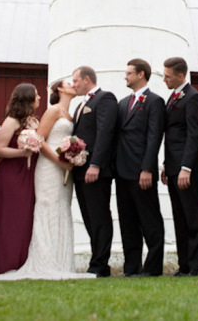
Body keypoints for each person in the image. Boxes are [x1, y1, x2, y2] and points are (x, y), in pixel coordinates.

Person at [0, 80, 96, 281]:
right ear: (60, 89)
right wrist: (57, 161)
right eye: (36, 95)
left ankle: (61, 261)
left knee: (60, 209)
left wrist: (72, 153)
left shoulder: (65, 114)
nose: (40, 98)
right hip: (48, 168)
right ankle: (43, 260)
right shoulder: (50, 113)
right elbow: (39, 141)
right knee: (46, 208)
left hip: (58, 169)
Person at [114, 58, 166, 277]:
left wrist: (147, 169)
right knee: (127, 222)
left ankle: (152, 268)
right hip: (122, 170)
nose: (125, 77)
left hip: (142, 170)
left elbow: (154, 137)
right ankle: (131, 268)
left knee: (150, 220)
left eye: (128, 73)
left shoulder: (155, 101)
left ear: (141, 74)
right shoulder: (123, 103)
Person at [0, 83, 41, 275]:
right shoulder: (12, 121)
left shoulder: (33, 121)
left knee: (25, 218)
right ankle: (4, 264)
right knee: (10, 219)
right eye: (36, 95)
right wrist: (22, 152)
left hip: (29, 173)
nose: (39, 98)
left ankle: (22, 261)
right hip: (12, 175)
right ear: (27, 99)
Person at [161, 56, 198, 277]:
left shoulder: (193, 98)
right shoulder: (173, 97)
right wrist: (165, 164)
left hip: (186, 168)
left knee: (193, 215)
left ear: (181, 76)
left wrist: (186, 167)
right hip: (172, 166)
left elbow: (193, 134)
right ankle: (185, 265)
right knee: (179, 216)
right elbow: (171, 135)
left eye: (167, 76)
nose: (164, 79)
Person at [70, 65, 118, 277]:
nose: (74, 85)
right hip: (80, 171)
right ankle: (97, 260)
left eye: (76, 81)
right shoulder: (81, 104)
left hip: (95, 170)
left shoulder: (105, 98)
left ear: (87, 79)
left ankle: (100, 264)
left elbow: (105, 133)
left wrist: (96, 164)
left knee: (99, 216)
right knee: (88, 217)